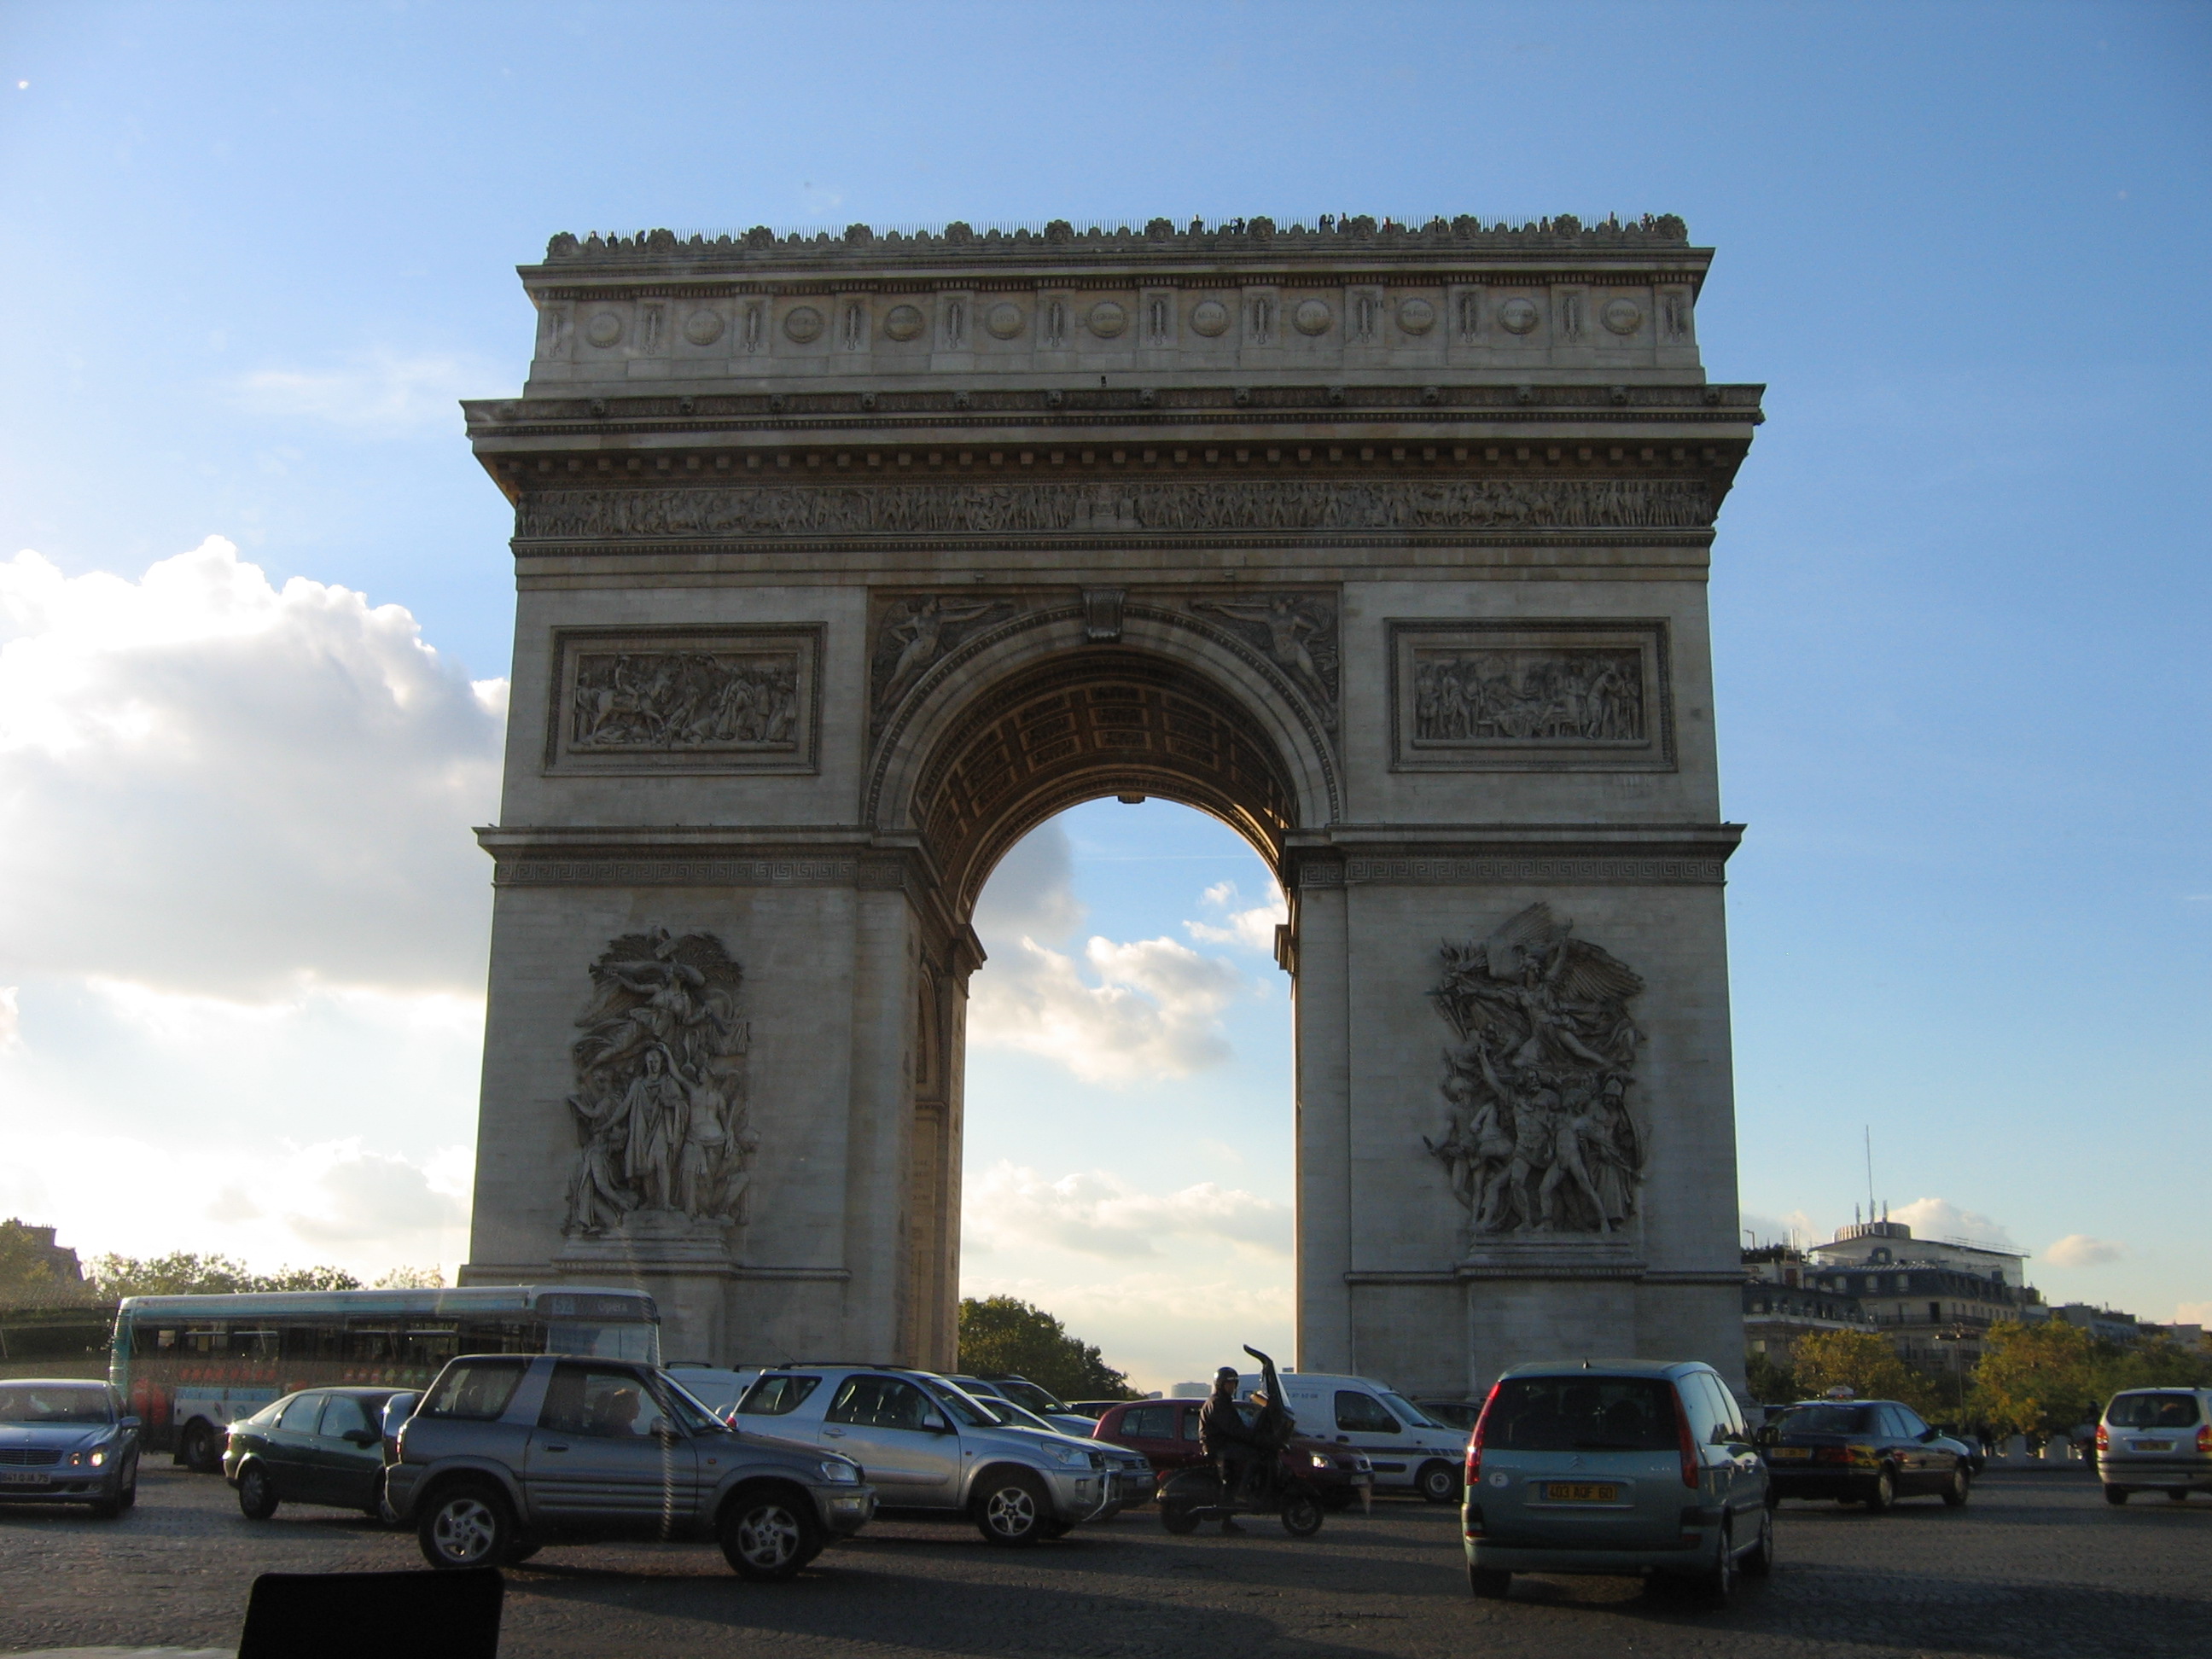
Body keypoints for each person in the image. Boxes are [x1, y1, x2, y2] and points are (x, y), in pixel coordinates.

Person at [1198, 1366, 1264, 1534]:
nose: (1232, 1387)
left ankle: (1229, 1515)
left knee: (1246, 1455)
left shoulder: (1223, 1401)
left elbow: (1236, 1426)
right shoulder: (1218, 1403)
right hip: (1218, 1446)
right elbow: (1232, 1428)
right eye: (1229, 1383)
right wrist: (1252, 1437)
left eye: (1234, 1384)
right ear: (1220, 1384)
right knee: (1252, 1456)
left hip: (1222, 1444)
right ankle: (1241, 1492)